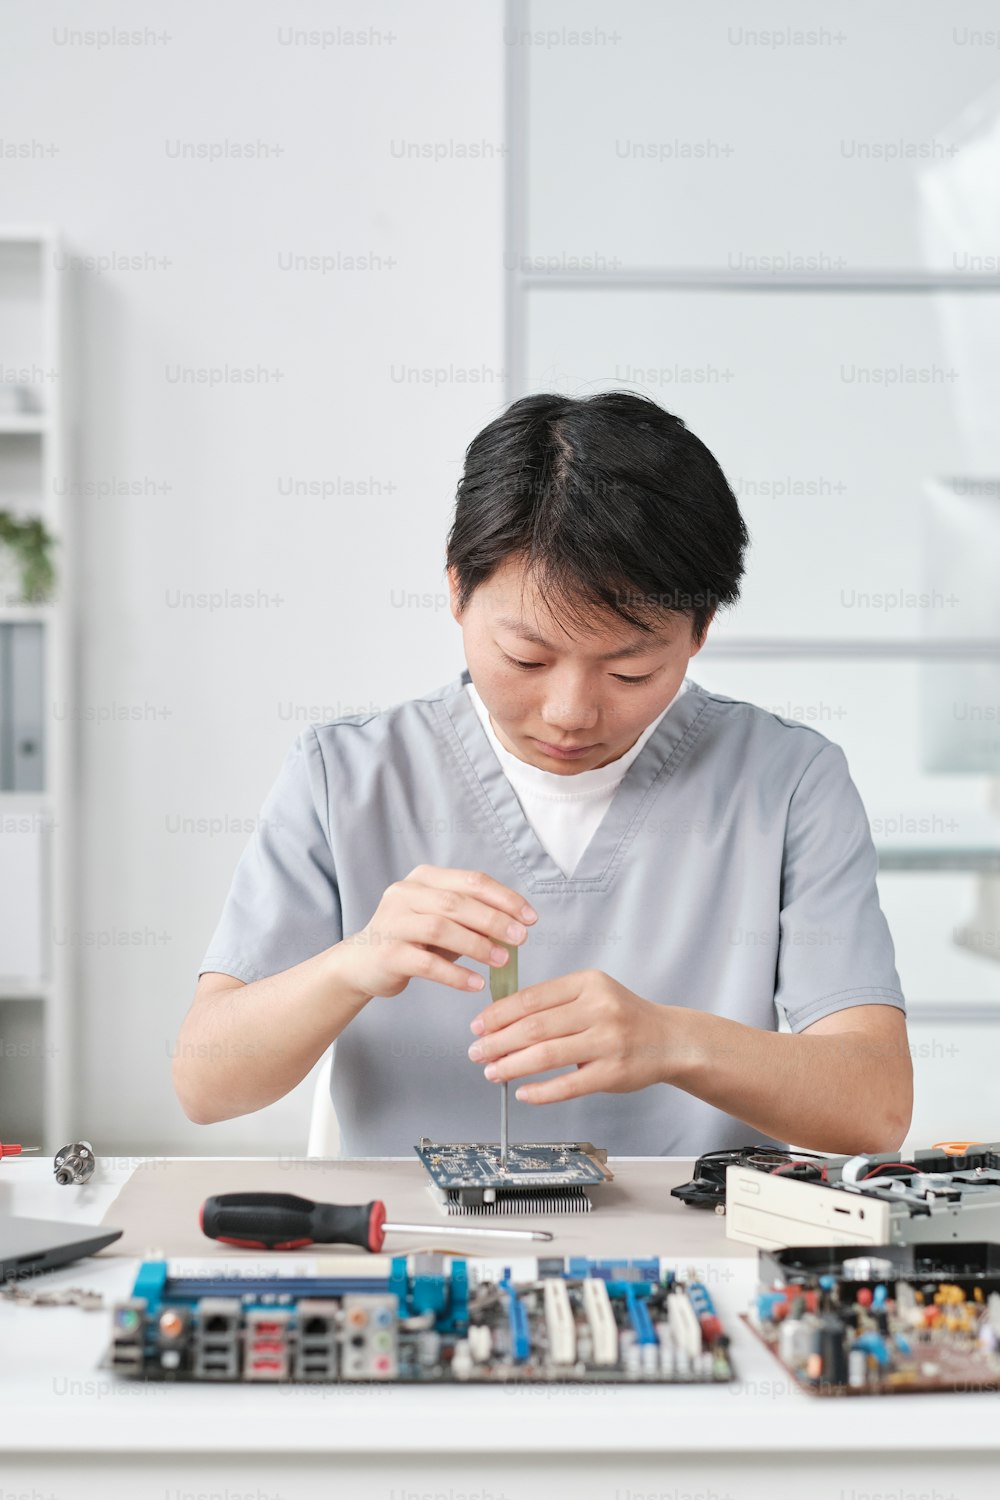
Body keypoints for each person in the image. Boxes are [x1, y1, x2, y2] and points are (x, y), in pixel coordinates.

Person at [172, 392, 912, 1157]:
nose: (570, 713)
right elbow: (205, 1084)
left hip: (698, 1252)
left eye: (630, 672)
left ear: (699, 634)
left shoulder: (787, 783)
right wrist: (352, 963)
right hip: (423, 1246)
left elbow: (876, 1107)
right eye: (527, 659)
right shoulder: (346, 777)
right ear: (457, 590)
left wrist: (674, 1040)